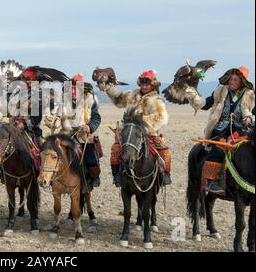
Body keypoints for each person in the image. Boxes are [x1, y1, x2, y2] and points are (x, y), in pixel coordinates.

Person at [184, 66, 255, 194]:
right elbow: (205, 104)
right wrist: (193, 95)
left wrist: (249, 118)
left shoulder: (250, 95)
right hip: (220, 129)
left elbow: (253, 113)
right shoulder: (220, 91)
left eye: (235, 80)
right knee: (218, 150)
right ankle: (212, 181)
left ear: (242, 82)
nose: (231, 82)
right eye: (230, 79)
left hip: (240, 132)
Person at [100, 70, 171, 186]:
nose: (144, 86)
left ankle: (165, 176)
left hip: (148, 132)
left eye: (147, 84)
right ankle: (117, 175)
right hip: (128, 130)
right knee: (116, 148)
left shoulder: (157, 101)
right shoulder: (132, 94)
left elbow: (162, 118)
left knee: (164, 151)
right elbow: (118, 98)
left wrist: (143, 122)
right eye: (142, 83)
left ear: (152, 85)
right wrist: (107, 87)